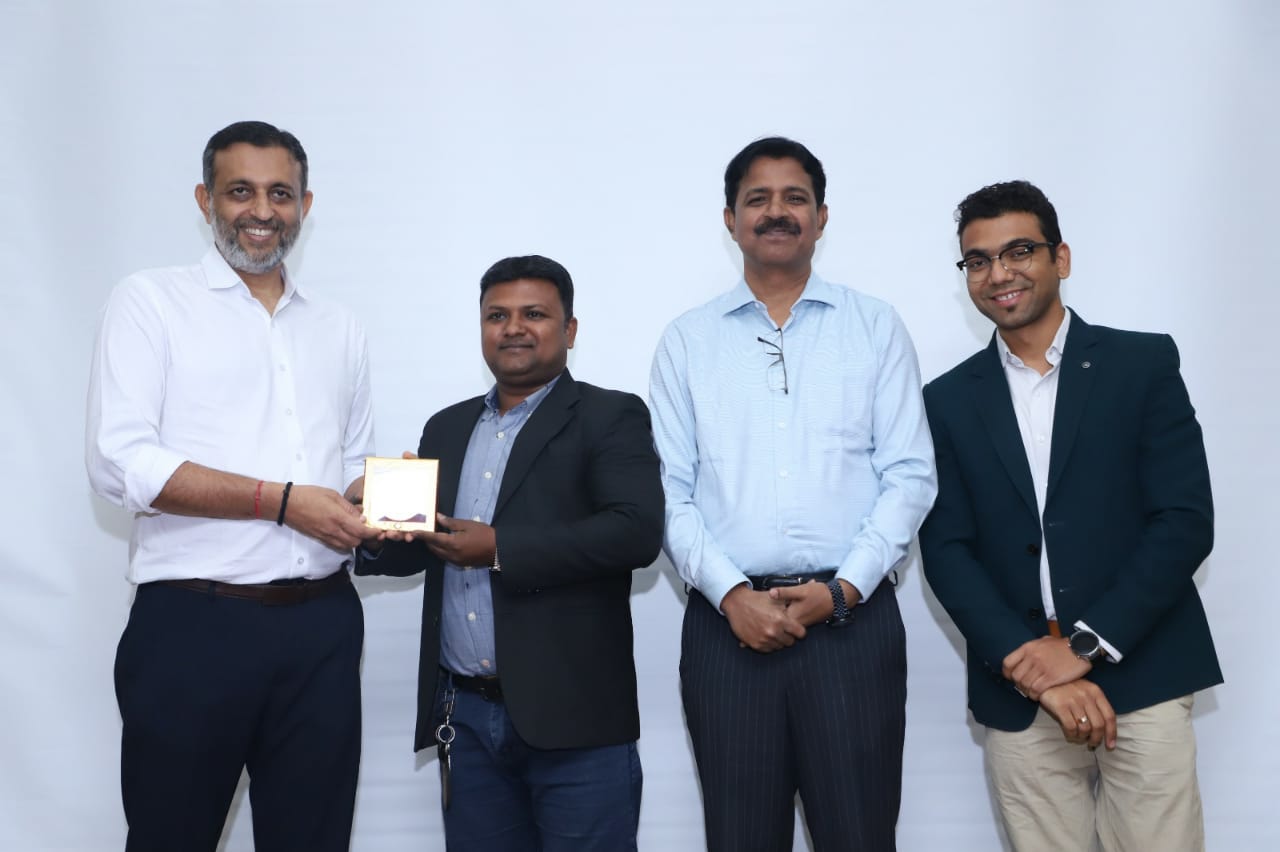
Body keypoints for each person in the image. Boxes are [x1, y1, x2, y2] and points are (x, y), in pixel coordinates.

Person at [85, 120, 376, 852]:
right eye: (240, 190)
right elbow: (121, 462)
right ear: (204, 198)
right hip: (193, 628)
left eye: (280, 193)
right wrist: (280, 500)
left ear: (306, 204)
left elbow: (348, 465)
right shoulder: (150, 301)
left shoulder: (340, 328)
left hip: (324, 630)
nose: (261, 210)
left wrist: (370, 498)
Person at [648, 137, 937, 851]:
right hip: (728, 631)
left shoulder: (874, 327)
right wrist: (730, 595)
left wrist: (844, 589)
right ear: (730, 218)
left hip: (852, 627)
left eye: (794, 198)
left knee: (859, 836)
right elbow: (667, 492)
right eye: (758, 199)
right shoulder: (687, 342)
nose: (776, 212)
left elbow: (910, 474)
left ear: (822, 215)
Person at [919, 180, 1221, 851]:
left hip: (1142, 667)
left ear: (1062, 257)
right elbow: (947, 549)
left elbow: (1183, 520)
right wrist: (1030, 664)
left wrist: (1083, 648)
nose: (999, 273)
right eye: (977, 260)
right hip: (1019, 688)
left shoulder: (1141, 364)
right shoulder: (944, 401)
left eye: (1019, 251)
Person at [356, 254, 664, 852]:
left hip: (577, 720)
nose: (513, 328)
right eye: (497, 315)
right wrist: (371, 530)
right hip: (465, 718)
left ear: (569, 330)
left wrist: (499, 548)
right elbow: (426, 546)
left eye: (534, 314)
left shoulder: (609, 415)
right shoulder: (445, 427)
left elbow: (635, 533)